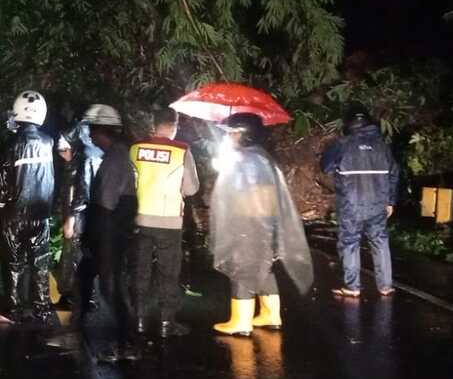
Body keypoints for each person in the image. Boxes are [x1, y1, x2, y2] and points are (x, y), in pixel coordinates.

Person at [211, 113, 314, 335]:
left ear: (242, 134)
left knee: (243, 269)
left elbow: (238, 194)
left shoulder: (244, 160)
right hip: (266, 223)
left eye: (231, 133)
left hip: (248, 224)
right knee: (264, 266)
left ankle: (241, 321)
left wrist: (224, 169)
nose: (229, 137)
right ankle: (270, 313)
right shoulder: (264, 158)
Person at [0, 90, 57, 325]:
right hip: (41, 215)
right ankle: (43, 310)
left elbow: (3, 181)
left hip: (14, 215)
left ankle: (13, 310)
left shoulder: (12, 144)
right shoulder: (49, 142)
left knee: (14, 263)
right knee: (40, 262)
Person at [129, 107, 200, 339]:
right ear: (174, 125)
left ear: (154, 124)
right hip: (169, 221)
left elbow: (129, 183)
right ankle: (166, 323)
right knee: (168, 272)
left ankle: (139, 319)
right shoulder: (181, 151)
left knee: (141, 269)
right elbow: (191, 188)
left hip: (141, 218)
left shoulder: (136, 148)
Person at [320, 104, 399, 298]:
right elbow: (394, 173)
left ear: (348, 124)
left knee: (350, 243)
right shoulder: (382, 145)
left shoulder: (342, 144)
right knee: (380, 242)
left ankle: (352, 287)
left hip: (351, 205)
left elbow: (326, 167)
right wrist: (390, 201)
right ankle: (385, 286)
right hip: (378, 204)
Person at [83, 107, 140, 361]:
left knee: (111, 287)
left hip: (110, 232)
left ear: (100, 131)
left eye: (92, 130)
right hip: (113, 231)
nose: (90, 136)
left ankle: (127, 343)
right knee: (97, 281)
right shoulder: (117, 155)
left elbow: (105, 204)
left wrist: (95, 236)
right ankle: (121, 341)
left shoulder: (115, 159)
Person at [57, 106, 112, 311]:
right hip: (95, 207)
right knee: (86, 251)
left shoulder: (86, 155)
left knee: (75, 251)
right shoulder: (102, 149)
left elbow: (81, 190)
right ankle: (84, 294)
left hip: (82, 208)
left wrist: (71, 216)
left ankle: (77, 295)